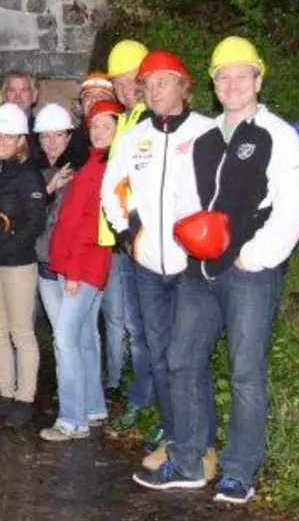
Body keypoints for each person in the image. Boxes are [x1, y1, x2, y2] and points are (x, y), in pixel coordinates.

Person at [134, 36, 299, 506]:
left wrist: (256, 254)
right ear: (212, 84)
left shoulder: (277, 135)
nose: (232, 84)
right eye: (223, 76)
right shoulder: (206, 139)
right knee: (180, 359)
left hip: (251, 273)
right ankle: (190, 460)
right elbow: (190, 203)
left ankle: (238, 471)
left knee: (245, 371)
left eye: (241, 75)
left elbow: (295, 208)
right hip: (201, 271)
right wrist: (183, 239)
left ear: (258, 79)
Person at [104, 50, 218, 478]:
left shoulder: (209, 132)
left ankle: (204, 446)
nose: (153, 91)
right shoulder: (133, 137)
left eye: (162, 82)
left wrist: (215, 242)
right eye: (147, 84)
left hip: (193, 267)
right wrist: (129, 235)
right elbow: (113, 188)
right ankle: (175, 440)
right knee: (158, 356)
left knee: (189, 358)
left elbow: (225, 192)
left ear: (183, 86)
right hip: (148, 268)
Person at [39, 99, 121, 441]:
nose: (100, 132)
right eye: (96, 125)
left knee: (65, 340)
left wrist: (73, 273)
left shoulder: (107, 168)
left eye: (108, 125)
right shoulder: (95, 161)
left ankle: (72, 420)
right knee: (85, 337)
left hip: (82, 268)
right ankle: (93, 406)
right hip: (76, 266)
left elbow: (90, 228)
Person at [98, 40, 157, 429]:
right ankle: (138, 391)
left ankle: (143, 396)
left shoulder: (151, 121)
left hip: (143, 243)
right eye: (117, 84)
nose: (123, 89)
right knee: (128, 324)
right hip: (120, 242)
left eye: (130, 80)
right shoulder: (127, 120)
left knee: (141, 328)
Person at [0, 102, 48, 429]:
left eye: (9, 137)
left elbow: (34, 223)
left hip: (17, 264)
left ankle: (25, 397)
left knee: (21, 332)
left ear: (21, 139)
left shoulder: (27, 174)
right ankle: (5, 392)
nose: (1, 142)